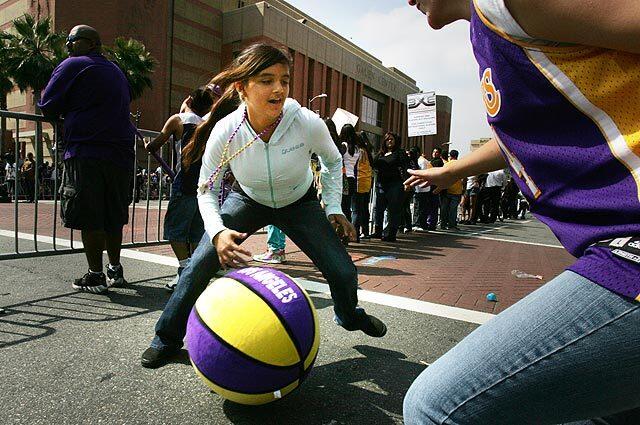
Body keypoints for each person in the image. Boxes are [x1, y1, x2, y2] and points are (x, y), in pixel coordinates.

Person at [404, 0, 640, 423]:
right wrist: (451, 171)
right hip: (612, 243)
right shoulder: (489, 30)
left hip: (630, 247)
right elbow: (513, 140)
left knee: (437, 408)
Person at [141, 42, 387, 369]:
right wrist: (216, 233)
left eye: (284, 80)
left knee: (342, 271)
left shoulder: (306, 121)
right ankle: (166, 339)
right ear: (242, 87)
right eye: (267, 80)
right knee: (199, 262)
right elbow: (206, 188)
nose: (279, 89)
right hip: (248, 199)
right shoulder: (226, 132)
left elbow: (331, 161)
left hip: (298, 202)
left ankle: (348, 315)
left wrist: (333, 208)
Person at [38, 25, 135, 293]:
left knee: (91, 215)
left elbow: (48, 105)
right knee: (113, 216)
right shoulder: (116, 70)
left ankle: (95, 275)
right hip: (120, 154)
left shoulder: (74, 64)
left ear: (91, 43)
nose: (67, 45)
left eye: (72, 40)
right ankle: (115, 270)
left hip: (87, 151)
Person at [144, 86, 216, 292]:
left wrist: (149, 145)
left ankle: (184, 270)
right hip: (202, 184)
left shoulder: (178, 120)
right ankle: (193, 271)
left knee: (175, 229)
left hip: (183, 182)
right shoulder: (207, 125)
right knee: (195, 231)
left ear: (189, 101)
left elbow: (155, 145)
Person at [371, 132, 406, 242]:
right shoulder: (381, 154)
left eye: (391, 139)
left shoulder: (399, 153)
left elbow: (405, 168)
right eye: (387, 139)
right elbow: (373, 163)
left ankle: (391, 234)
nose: (389, 141)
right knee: (378, 208)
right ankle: (377, 231)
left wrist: (407, 183)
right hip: (381, 184)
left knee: (393, 209)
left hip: (395, 184)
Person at [354, 131, 374, 240]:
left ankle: (355, 233)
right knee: (364, 208)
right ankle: (365, 232)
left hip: (358, 182)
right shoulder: (367, 151)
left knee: (356, 209)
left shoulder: (359, 151)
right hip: (367, 183)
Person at [340, 123, 360, 222]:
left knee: (342, 206)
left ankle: (344, 230)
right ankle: (350, 230)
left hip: (343, 178)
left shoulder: (344, 146)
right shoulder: (357, 149)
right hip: (352, 178)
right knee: (347, 206)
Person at [439, 149, 464, 230]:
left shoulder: (446, 164)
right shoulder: (461, 164)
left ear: (450, 156)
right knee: (453, 209)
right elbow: (464, 178)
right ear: (457, 156)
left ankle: (443, 224)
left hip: (447, 189)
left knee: (444, 208)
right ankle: (452, 225)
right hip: (457, 190)